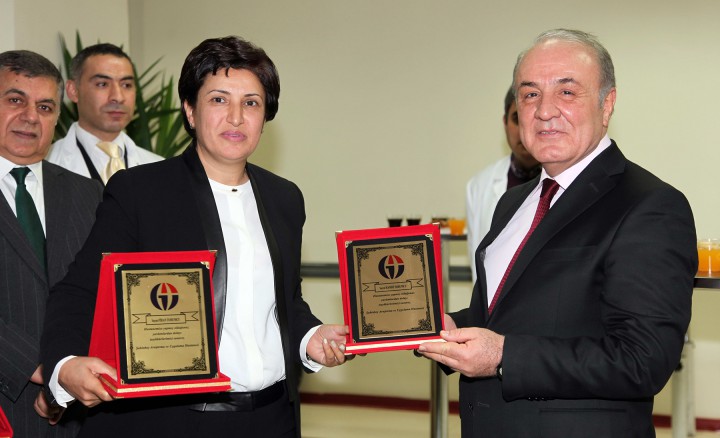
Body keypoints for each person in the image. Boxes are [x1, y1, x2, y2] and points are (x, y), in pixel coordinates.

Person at [40, 36, 350, 438]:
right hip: (172, 420)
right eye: (219, 100)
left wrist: (310, 337)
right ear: (190, 110)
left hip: (273, 417)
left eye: (251, 103)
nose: (236, 118)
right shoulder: (141, 191)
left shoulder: (284, 198)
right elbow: (79, 291)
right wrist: (65, 365)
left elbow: (285, 299)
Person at [419, 29, 697, 437]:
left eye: (567, 92)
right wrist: (441, 325)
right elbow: (507, 315)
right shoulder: (513, 203)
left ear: (607, 104)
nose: (545, 110)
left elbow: (643, 360)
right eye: (530, 94)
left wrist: (504, 357)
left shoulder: (649, 205)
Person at [0, 50, 102, 438]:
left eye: (45, 107)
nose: (31, 117)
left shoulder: (89, 194)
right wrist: (50, 369)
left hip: (79, 410)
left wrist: (70, 374)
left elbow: (103, 293)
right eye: (15, 100)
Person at [46, 43, 162, 185]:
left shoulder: (161, 169)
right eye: (102, 84)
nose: (118, 97)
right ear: (73, 90)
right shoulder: (44, 165)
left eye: (126, 85)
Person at [466, 87, 540, 280]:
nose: (525, 128)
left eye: (533, 118)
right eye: (517, 118)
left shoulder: (566, 180)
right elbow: (477, 267)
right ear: (505, 122)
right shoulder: (478, 186)